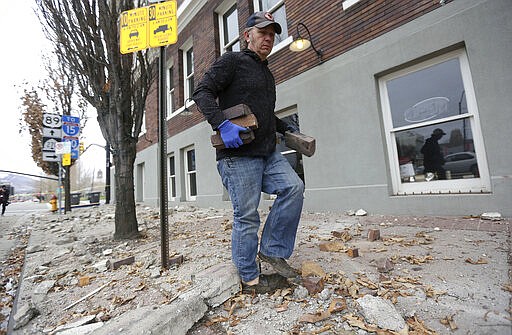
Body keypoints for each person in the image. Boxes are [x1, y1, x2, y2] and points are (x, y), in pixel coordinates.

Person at [193, 11, 305, 294]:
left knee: (293, 187)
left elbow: (262, 112)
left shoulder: (267, 73)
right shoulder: (233, 61)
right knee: (247, 216)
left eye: (272, 34)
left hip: (267, 152)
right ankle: (250, 279)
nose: (268, 38)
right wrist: (221, 124)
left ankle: (272, 250)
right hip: (238, 155)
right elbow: (202, 92)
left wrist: (283, 125)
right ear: (247, 36)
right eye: (262, 32)